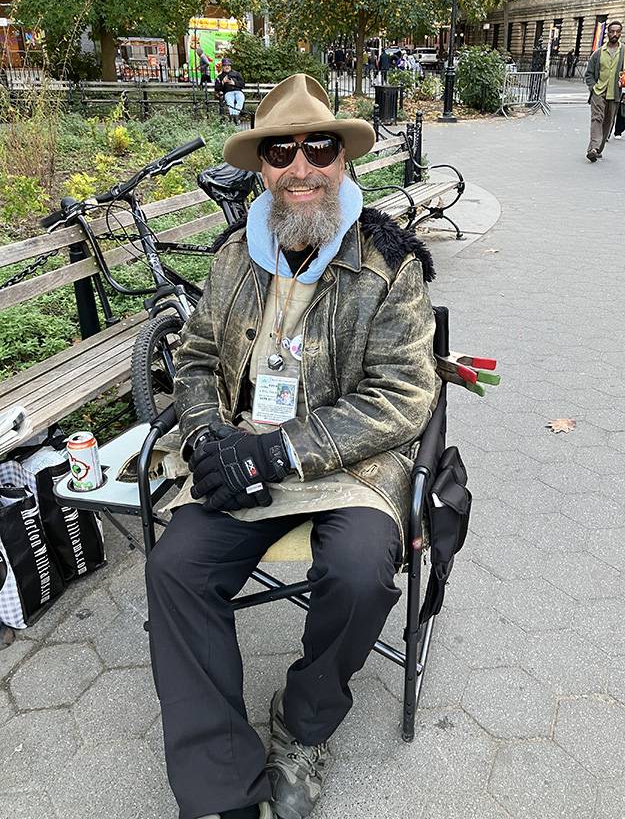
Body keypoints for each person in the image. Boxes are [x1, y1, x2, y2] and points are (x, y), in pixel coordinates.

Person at [145, 73, 438, 819]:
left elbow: (404, 395)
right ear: (262, 167)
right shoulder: (234, 256)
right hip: (242, 450)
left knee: (360, 572)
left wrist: (279, 453)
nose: (301, 167)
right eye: (281, 151)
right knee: (176, 569)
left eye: (318, 148)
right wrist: (207, 436)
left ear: (343, 159)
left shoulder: (389, 263)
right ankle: (222, 786)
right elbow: (196, 358)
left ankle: (303, 724)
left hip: (351, 464)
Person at [584, 20, 625, 161]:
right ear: (607, 33)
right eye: (612, 31)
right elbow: (589, 74)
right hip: (599, 92)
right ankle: (593, 148)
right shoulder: (598, 53)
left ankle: (598, 149)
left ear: (620, 33)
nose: (614, 34)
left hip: (615, 93)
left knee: (608, 121)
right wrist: (593, 87)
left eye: (617, 32)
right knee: (597, 118)